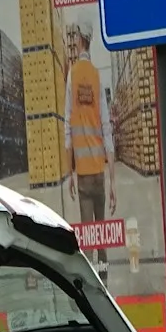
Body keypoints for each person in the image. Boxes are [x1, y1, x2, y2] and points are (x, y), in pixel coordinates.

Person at [62, 21, 116, 234]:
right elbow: (106, 128)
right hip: (98, 173)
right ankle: (103, 268)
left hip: (83, 174)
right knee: (101, 233)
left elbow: (67, 128)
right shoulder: (96, 76)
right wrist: (112, 181)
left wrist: (70, 174)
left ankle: (93, 268)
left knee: (88, 235)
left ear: (79, 40)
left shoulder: (72, 77)